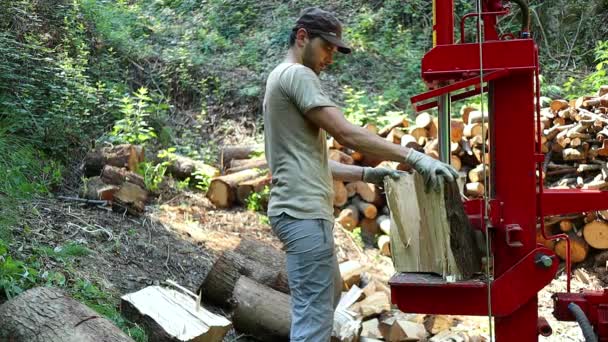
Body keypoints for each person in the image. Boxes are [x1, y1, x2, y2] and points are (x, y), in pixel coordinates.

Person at [263, 7, 458, 341]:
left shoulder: (279, 77)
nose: (331, 57)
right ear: (301, 37)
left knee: (328, 295)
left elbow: (316, 163)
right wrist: (414, 156)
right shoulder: (297, 75)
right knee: (313, 318)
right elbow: (347, 135)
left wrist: (368, 174)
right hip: (302, 214)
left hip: (297, 211)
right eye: (326, 47)